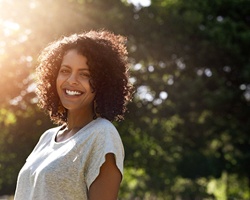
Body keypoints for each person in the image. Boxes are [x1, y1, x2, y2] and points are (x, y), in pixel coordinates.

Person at [14, 30, 133, 200]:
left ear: (102, 83)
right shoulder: (46, 138)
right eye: (65, 71)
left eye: (84, 74)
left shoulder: (102, 135)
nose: (71, 80)